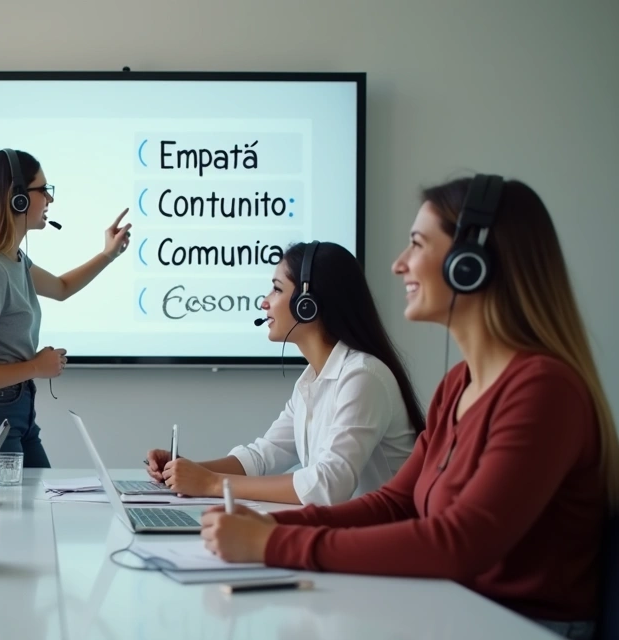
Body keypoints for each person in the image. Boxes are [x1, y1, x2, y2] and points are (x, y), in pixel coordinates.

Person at [200, 175, 617, 638]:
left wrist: (277, 542)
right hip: (454, 608)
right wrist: (266, 524)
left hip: (519, 625)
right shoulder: (459, 385)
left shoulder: (544, 391)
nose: (399, 265)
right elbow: (396, 502)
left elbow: (459, 542)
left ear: (470, 265)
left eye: (417, 244)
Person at [145, 241, 425, 506]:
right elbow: (262, 457)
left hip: (383, 541)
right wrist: (185, 470)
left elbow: (328, 486)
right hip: (349, 532)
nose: (265, 302)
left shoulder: (363, 377)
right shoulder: (311, 381)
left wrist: (212, 484)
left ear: (307, 304)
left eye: (277, 290)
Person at [0, 148, 131, 467]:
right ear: (16, 198)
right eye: (43, 190)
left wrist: (107, 255)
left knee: (40, 507)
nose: (50, 200)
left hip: (13, 410)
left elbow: (61, 288)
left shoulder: (12, 261)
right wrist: (36, 366)